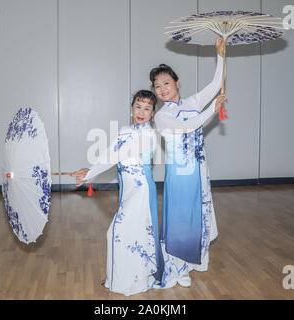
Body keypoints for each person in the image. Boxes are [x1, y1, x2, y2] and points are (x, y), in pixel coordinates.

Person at [149, 37, 227, 288]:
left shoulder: (191, 103)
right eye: (157, 86)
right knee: (181, 217)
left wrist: (221, 55)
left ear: (176, 83)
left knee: (199, 213)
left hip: (199, 167)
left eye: (166, 83)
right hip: (180, 172)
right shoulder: (161, 116)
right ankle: (177, 266)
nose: (162, 89)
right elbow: (187, 127)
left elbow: (216, 84)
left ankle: (194, 260)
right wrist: (212, 109)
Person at [73, 90, 164, 296]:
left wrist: (90, 173)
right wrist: (89, 170)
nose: (142, 112)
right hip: (127, 190)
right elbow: (109, 152)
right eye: (138, 107)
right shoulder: (124, 130)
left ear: (152, 113)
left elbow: (118, 155)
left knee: (118, 231)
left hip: (141, 190)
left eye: (147, 108)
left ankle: (134, 279)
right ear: (132, 109)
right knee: (129, 233)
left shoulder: (149, 135)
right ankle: (121, 278)